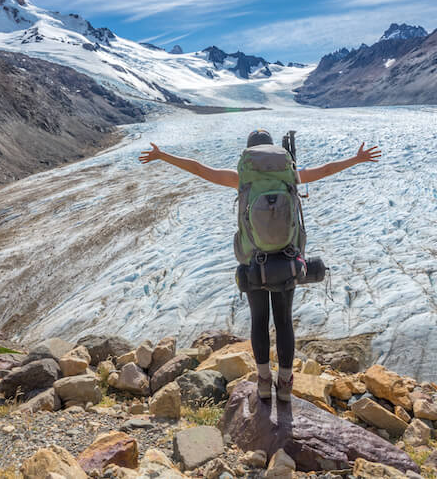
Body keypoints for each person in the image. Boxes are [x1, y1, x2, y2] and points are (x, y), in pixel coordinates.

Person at [139, 129, 381, 401]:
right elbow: (325, 169)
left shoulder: (242, 178)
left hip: (254, 261)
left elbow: (198, 168)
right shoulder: (290, 175)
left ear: (249, 154)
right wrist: (356, 159)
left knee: (259, 321)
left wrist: (162, 155)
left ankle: (264, 382)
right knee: (284, 321)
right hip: (288, 260)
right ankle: (286, 385)